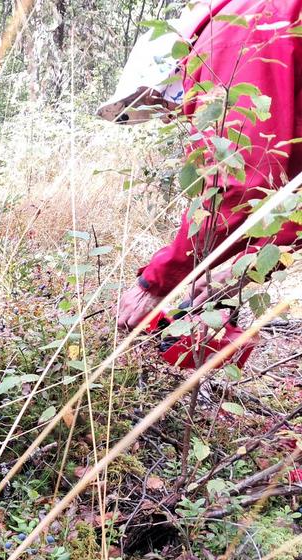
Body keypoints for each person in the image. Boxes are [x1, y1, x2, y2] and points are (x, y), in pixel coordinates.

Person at [109, 0, 302, 330]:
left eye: (161, 106)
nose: (171, 116)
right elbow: (289, 193)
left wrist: (156, 282)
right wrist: (248, 266)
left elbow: (238, 182)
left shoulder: (225, 40)